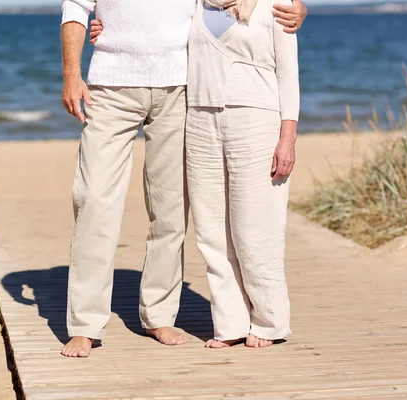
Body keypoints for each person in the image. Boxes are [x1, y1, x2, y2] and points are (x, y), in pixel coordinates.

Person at [60, 0, 307, 358]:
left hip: (179, 89)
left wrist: (299, 8)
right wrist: (72, 73)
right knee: (94, 201)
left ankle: (159, 314)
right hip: (110, 86)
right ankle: (85, 324)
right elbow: (75, 7)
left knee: (171, 209)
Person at [185, 0, 300, 348]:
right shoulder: (191, 5)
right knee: (212, 231)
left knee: (255, 228)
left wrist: (288, 138)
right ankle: (230, 324)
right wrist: (103, 30)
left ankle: (268, 321)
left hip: (255, 120)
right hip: (199, 118)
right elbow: (153, 33)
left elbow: (288, 72)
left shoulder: (276, 4)